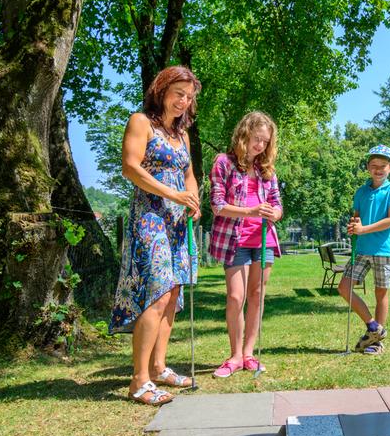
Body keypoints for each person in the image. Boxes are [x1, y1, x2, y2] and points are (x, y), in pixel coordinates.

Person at [110, 66, 202, 406]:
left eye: (189, 97)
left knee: (173, 292)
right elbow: (131, 167)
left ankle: (159, 367)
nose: (184, 101)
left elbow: (189, 174)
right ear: (161, 89)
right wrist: (173, 194)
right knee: (157, 293)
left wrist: (192, 199)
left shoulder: (182, 135)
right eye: (179, 93)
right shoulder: (141, 122)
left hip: (177, 222)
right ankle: (139, 380)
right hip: (150, 218)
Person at [209, 111, 282, 377]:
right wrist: (250, 212)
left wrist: (275, 213)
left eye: (265, 141)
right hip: (234, 239)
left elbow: (276, 204)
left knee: (256, 296)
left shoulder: (267, 170)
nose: (260, 145)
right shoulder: (224, 163)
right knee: (235, 296)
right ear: (244, 134)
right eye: (256, 139)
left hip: (263, 240)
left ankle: (249, 354)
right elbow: (217, 205)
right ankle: (235, 355)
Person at [337, 145, 390, 355]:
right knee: (344, 287)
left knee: (380, 293)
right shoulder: (361, 192)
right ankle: (374, 327)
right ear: (368, 167)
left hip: (383, 249)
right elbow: (357, 217)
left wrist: (363, 228)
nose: (378, 169)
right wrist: (354, 226)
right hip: (362, 248)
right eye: (374, 165)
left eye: (382, 166)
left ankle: (376, 343)